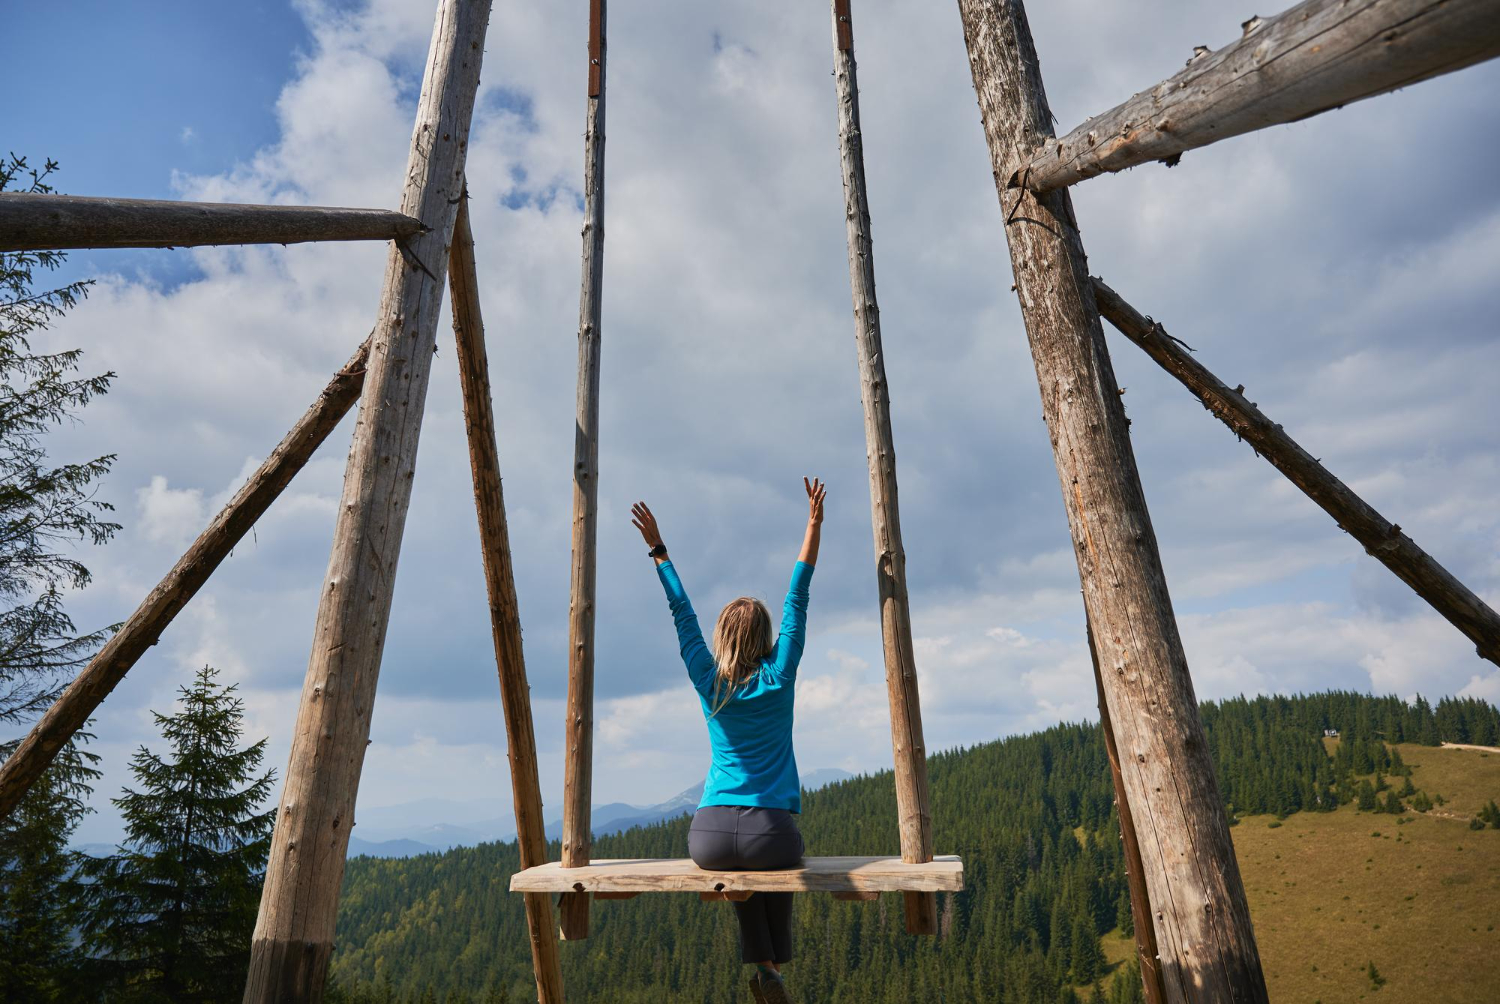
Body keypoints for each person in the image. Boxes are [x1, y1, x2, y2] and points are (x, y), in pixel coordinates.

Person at [630, 477, 826, 1004]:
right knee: (772, 863)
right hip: (771, 832)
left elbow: (682, 613)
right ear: (764, 638)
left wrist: (659, 550)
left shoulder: (706, 679)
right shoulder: (779, 676)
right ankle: (772, 969)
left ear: (721, 636)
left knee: (744, 871)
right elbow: (797, 598)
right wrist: (813, 526)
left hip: (710, 835)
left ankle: (767, 970)